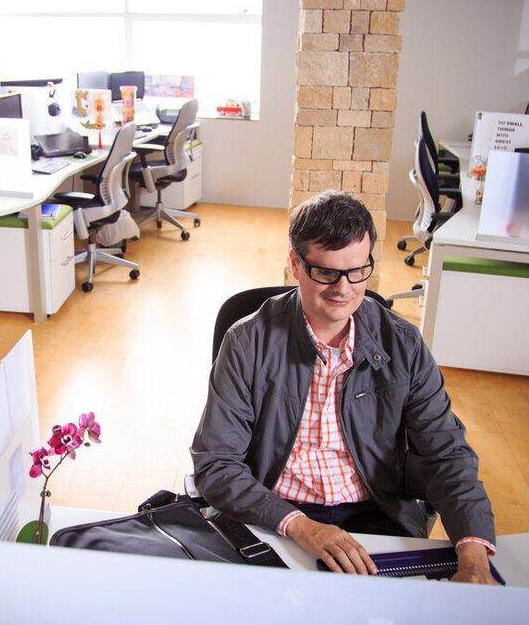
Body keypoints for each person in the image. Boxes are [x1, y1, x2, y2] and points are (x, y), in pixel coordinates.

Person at [191, 191, 497, 584]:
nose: (344, 289)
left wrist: (473, 556)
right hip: (274, 512)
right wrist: (301, 525)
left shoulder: (402, 343)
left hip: (376, 512)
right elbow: (216, 462)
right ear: (295, 265)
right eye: (326, 272)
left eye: (357, 271)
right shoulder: (247, 341)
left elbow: (447, 453)